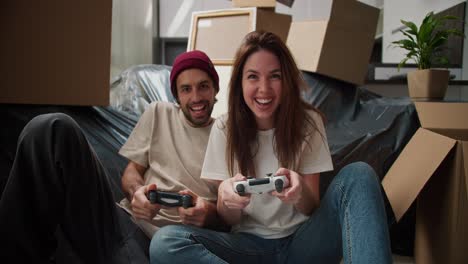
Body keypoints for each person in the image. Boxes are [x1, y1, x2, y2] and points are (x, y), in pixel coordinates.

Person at [149, 31, 392, 264]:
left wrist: (298, 194)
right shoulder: (224, 128)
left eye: (274, 76)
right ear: (240, 83)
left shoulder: (308, 122)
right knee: (165, 243)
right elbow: (226, 220)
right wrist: (227, 197)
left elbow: (311, 206)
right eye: (253, 76)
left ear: (286, 80)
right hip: (246, 247)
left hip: (303, 243)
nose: (264, 89)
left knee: (359, 174)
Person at [0, 50, 226, 263]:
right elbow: (131, 171)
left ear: (215, 89)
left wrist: (210, 215)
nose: (195, 97)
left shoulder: (228, 135)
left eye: (203, 86)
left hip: (168, 246)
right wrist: (136, 192)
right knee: (51, 127)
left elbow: (235, 216)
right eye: (186, 89)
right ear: (176, 94)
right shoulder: (158, 112)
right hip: (122, 223)